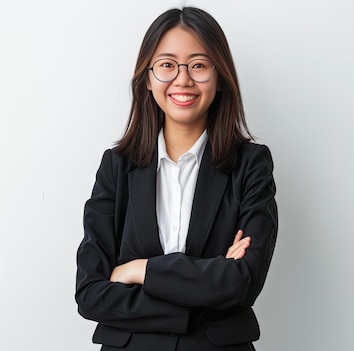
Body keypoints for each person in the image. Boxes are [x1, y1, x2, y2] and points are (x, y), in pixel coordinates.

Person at [75, 7, 278, 351]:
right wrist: (205, 285)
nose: (182, 80)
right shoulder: (116, 167)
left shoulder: (251, 165)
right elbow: (90, 293)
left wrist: (139, 270)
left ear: (220, 76)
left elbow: (242, 282)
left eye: (198, 65)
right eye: (167, 65)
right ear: (148, 77)